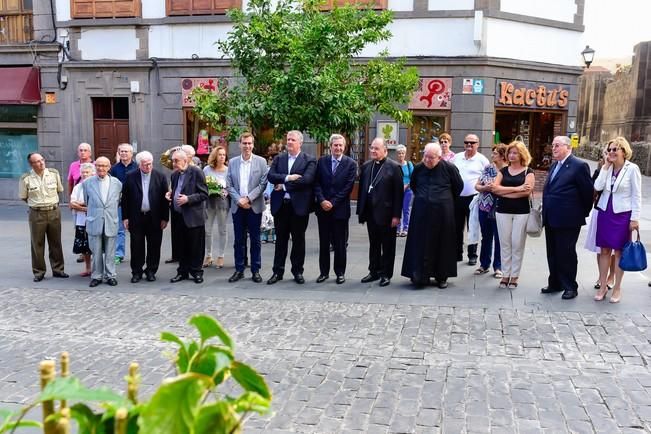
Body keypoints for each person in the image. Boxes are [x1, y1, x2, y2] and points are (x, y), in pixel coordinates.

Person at [401, 143, 463, 288]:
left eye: (431, 158)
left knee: (443, 243)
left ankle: (442, 276)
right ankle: (419, 275)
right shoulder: (418, 168)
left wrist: (443, 200)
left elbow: (458, 187)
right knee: (419, 244)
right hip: (421, 213)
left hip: (442, 214)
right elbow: (414, 185)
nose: (427, 160)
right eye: (426, 157)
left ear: (439, 157)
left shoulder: (449, 168)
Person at [541, 136, 593, 300]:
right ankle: (555, 282)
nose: (553, 148)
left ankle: (570, 286)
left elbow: (587, 193)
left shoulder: (579, 166)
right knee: (552, 252)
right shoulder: (554, 165)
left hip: (569, 219)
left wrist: (581, 212)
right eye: (553, 145)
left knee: (566, 253)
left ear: (568, 147)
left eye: (557, 145)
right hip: (551, 217)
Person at [593, 137, 642, 303]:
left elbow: (637, 195)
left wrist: (634, 219)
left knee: (620, 251)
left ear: (623, 151)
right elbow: (597, 187)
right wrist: (605, 166)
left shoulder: (632, 169)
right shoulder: (607, 167)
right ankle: (602, 285)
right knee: (604, 250)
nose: (612, 152)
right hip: (605, 212)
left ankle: (617, 287)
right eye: (610, 149)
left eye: (615, 149)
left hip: (623, 215)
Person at [267, 130, 317, 285]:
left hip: (299, 207)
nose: (289, 142)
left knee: (298, 240)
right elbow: (271, 176)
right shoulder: (279, 158)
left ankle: (297, 271)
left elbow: (306, 180)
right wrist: (288, 178)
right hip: (281, 206)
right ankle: (277, 272)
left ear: (300, 143)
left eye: (292, 140)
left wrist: (283, 186)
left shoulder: (309, 160)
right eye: (288, 139)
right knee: (280, 240)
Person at [357, 137, 404, 287]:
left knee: (388, 246)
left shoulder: (394, 167)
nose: (373, 151)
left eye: (376, 149)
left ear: (385, 150)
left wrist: (397, 215)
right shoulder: (366, 166)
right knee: (374, 244)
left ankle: (386, 274)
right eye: (372, 148)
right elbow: (362, 191)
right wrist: (361, 211)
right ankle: (373, 271)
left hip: (388, 214)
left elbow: (398, 194)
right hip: (371, 213)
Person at [491, 141, 535, 289]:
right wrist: (517, 189)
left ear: (521, 154)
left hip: (521, 212)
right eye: (510, 152)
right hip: (502, 211)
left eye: (515, 152)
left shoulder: (528, 171)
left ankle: (514, 276)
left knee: (517, 244)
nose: (511, 155)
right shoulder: (502, 171)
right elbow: (494, 189)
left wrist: (506, 192)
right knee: (505, 244)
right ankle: (505, 275)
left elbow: (526, 192)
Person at [314, 134, 357, 284]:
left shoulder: (351, 164)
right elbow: (316, 183)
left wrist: (332, 202)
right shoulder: (322, 162)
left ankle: (340, 273)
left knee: (340, 244)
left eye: (340, 145)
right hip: (323, 209)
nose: (338, 148)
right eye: (335, 145)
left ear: (344, 147)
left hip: (340, 210)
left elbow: (348, 187)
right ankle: (323, 272)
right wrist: (322, 200)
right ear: (330, 146)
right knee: (324, 243)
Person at [226, 132, 268, 283]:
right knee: (239, 240)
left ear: (253, 145)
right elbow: (229, 185)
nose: (247, 146)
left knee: (255, 240)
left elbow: (263, 184)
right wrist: (239, 200)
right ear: (240, 144)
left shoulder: (261, 162)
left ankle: (255, 270)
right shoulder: (233, 162)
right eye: (244, 143)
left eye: (250, 143)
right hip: (238, 206)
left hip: (254, 206)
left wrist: (248, 198)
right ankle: (239, 269)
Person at [19, 153, 69, 282]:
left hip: (53, 211)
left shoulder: (53, 174)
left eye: (42, 160)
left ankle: (58, 269)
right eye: (37, 161)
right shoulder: (26, 178)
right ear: (31, 164)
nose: (41, 163)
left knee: (56, 242)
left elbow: (59, 190)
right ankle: (39, 272)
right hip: (37, 213)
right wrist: (37, 205)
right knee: (37, 243)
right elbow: (24, 196)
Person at [121, 151, 169, 283]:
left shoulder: (160, 176)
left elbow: (165, 199)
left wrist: (165, 218)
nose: (148, 167)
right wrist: (125, 217)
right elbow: (125, 199)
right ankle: (136, 272)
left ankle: (151, 270)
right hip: (136, 216)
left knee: (154, 245)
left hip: (155, 217)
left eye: (150, 164)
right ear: (139, 165)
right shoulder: (130, 176)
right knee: (136, 245)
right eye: (145, 164)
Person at [167, 150, 208, 284]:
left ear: (185, 160)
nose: (173, 164)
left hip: (194, 216)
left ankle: (197, 272)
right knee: (181, 246)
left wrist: (188, 199)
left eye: (176, 161)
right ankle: (182, 272)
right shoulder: (174, 175)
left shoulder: (196, 172)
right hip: (178, 215)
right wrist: (170, 195)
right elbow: (176, 190)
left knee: (196, 246)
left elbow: (204, 194)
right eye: (173, 161)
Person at [82, 156, 122, 287]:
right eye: (98, 165)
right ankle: (96, 276)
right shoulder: (87, 183)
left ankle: (110, 275)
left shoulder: (117, 183)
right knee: (96, 251)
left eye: (104, 166)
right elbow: (87, 202)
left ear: (109, 167)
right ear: (95, 167)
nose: (101, 168)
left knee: (110, 251)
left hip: (111, 220)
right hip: (95, 220)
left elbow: (118, 201)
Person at [452, 133, 489, 266]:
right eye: (466, 142)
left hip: (473, 198)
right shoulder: (456, 158)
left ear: (477, 145)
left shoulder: (483, 160)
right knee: (456, 227)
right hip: (457, 198)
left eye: (472, 143)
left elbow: (488, 179)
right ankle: (457, 254)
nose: (469, 144)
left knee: (472, 227)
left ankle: (472, 255)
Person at [474, 143, 507, 278]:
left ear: (502, 156)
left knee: (499, 238)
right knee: (486, 236)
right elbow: (477, 185)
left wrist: (495, 188)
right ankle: (484, 264)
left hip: (501, 207)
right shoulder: (488, 168)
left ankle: (498, 267)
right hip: (484, 206)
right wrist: (484, 188)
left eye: (495, 153)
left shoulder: (508, 170)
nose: (492, 155)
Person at [109, 143, 137, 264]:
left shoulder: (137, 167)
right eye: (122, 151)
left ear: (132, 153)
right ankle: (119, 254)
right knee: (120, 230)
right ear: (119, 153)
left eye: (126, 151)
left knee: (136, 230)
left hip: (136, 203)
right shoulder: (114, 168)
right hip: (119, 203)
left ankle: (137, 253)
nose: (124, 153)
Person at [203, 146, 230, 269]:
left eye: (224, 155)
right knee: (207, 230)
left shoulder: (228, 170)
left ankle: (221, 256)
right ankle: (208, 255)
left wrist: (221, 192)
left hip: (222, 202)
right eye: (220, 155)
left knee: (222, 230)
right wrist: (209, 189)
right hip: (209, 202)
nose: (222, 157)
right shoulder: (207, 169)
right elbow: (202, 185)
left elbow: (230, 188)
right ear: (215, 156)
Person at [67, 142, 93, 264]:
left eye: (85, 150)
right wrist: (71, 201)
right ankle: (84, 254)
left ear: (90, 152)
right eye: (80, 150)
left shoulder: (95, 165)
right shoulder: (73, 165)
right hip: (78, 204)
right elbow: (70, 182)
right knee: (80, 230)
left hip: (91, 213)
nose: (82, 152)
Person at [69, 163, 95, 277]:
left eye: (87, 172)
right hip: (80, 221)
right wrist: (85, 207)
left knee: (97, 246)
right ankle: (88, 268)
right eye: (83, 172)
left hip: (94, 220)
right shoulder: (77, 187)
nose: (84, 174)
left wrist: (81, 205)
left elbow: (97, 203)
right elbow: (72, 203)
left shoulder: (95, 186)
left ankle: (98, 269)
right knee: (84, 247)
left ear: (93, 173)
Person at [395, 144, 414, 237]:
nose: (401, 155)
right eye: (399, 153)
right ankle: (398, 229)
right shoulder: (394, 165)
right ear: (396, 154)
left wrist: (406, 186)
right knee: (397, 209)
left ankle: (406, 228)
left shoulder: (409, 164)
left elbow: (413, 178)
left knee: (406, 209)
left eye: (402, 153)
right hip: (397, 191)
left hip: (408, 190)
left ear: (405, 154)